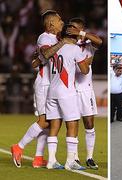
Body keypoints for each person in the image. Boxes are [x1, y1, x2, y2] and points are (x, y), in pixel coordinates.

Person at [11, 10, 65, 168]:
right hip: (44, 84)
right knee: (45, 121)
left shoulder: (57, 38)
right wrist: (63, 42)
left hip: (53, 84)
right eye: (59, 20)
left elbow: (37, 61)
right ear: (51, 24)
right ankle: (19, 147)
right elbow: (47, 53)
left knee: (48, 121)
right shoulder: (44, 37)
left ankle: (38, 158)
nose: (62, 22)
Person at [45, 24, 91, 170]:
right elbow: (84, 71)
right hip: (66, 91)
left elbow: (45, 56)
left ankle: (51, 160)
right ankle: (70, 161)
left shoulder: (54, 47)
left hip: (51, 91)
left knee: (54, 125)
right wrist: (87, 63)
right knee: (73, 124)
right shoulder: (75, 48)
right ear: (73, 35)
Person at [67, 17, 102, 170]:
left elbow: (99, 41)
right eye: (70, 27)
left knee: (89, 123)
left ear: (80, 28)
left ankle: (90, 157)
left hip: (86, 90)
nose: (71, 29)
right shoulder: (67, 45)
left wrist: (81, 33)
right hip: (70, 90)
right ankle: (74, 157)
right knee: (72, 123)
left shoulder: (89, 45)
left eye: (74, 27)